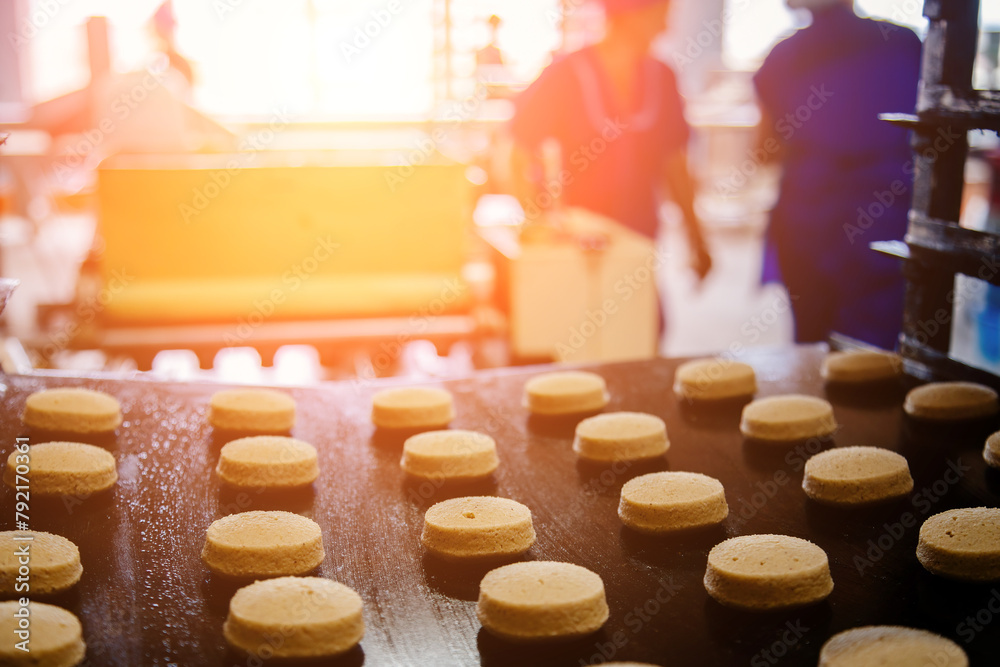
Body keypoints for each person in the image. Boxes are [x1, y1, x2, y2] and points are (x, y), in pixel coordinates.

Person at [753, 0, 922, 350]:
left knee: (814, 348)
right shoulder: (904, 45)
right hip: (885, 221)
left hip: (808, 226)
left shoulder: (782, 58)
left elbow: (765, 149)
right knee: (876, 355)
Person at [506, 0, 712, 282]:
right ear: (631, 15)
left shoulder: (661, 77)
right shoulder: (568, 74)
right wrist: (536, 223)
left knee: (642, 318)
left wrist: (696, 237)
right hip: (579, 245)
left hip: (642, 239)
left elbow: (675, 164)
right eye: (660, 15)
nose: (667, 27)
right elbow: (519, 149)